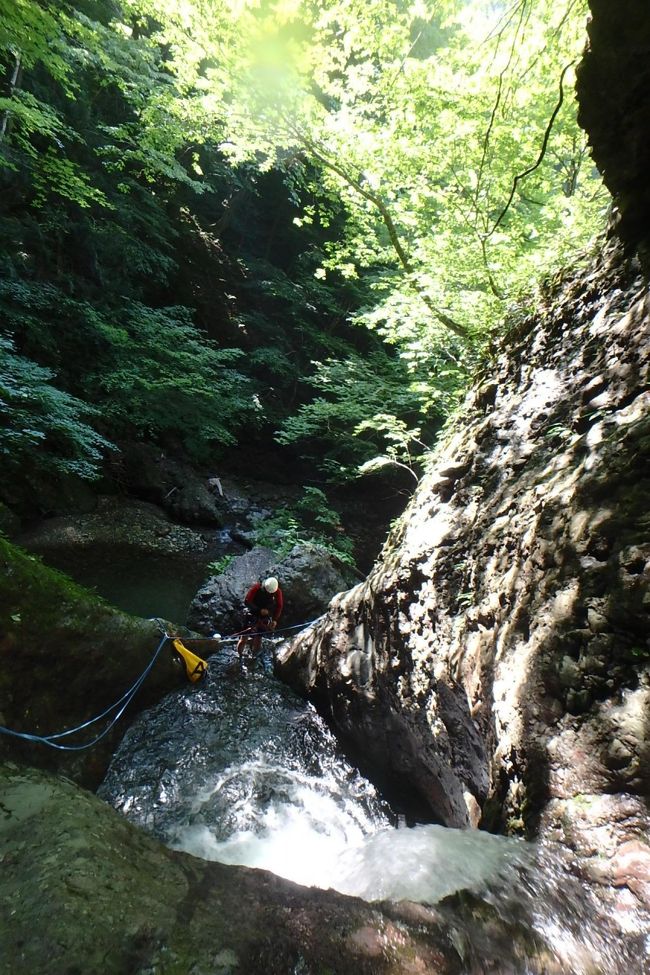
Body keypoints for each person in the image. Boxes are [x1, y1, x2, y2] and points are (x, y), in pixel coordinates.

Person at [236, 576, 284, 659]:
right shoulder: (257, 588)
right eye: (268, 592)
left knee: (259, 638)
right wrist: (259, 610)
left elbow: (279, 606)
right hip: (252, 613)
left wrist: (275, 620)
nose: (269, 594)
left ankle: (254, 656)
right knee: (244, 637)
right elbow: (247, 601)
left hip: (264, 617)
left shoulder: (277, 592)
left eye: (271, 593)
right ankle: (239, 655)